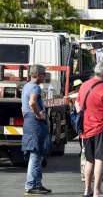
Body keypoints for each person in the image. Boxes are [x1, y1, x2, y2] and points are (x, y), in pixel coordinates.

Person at [77, 61, 103, 197]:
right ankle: (97, 192)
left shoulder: (84, 86)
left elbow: (77, 104)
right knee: (100, 159)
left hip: (86, 129)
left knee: (89, 160)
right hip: (101, 127)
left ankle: (87, 189)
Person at [22, 65, 52, 195]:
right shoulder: (35, 87)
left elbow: (23, 106)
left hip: (29, 121)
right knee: (36, 154)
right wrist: (39, 114)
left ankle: (37, 184)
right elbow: (32, 102)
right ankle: (31, 185)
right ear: (38, 74)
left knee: (36, 154)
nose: (45, 76)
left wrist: (27, 114)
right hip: (35, 123)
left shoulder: (26, 86)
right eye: (44, 74)